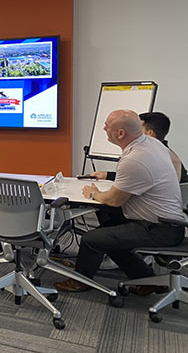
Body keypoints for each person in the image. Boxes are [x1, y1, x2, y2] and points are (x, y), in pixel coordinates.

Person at [54, 110, 186, 295]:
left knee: (93, 239)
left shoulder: (135, 159)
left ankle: (80, 281)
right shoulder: (151, 145)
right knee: (108, 228)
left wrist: (94, 194)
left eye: (107, 126)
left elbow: (114, 200)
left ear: (121, 133)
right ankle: (148, 280)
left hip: (159, 228)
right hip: (167, 222)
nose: (104, 129)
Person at [139, 112, 187, 183]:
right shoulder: (170, 155)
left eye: (137, 129)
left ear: (149, 133)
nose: (132, 132)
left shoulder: (151, 158)